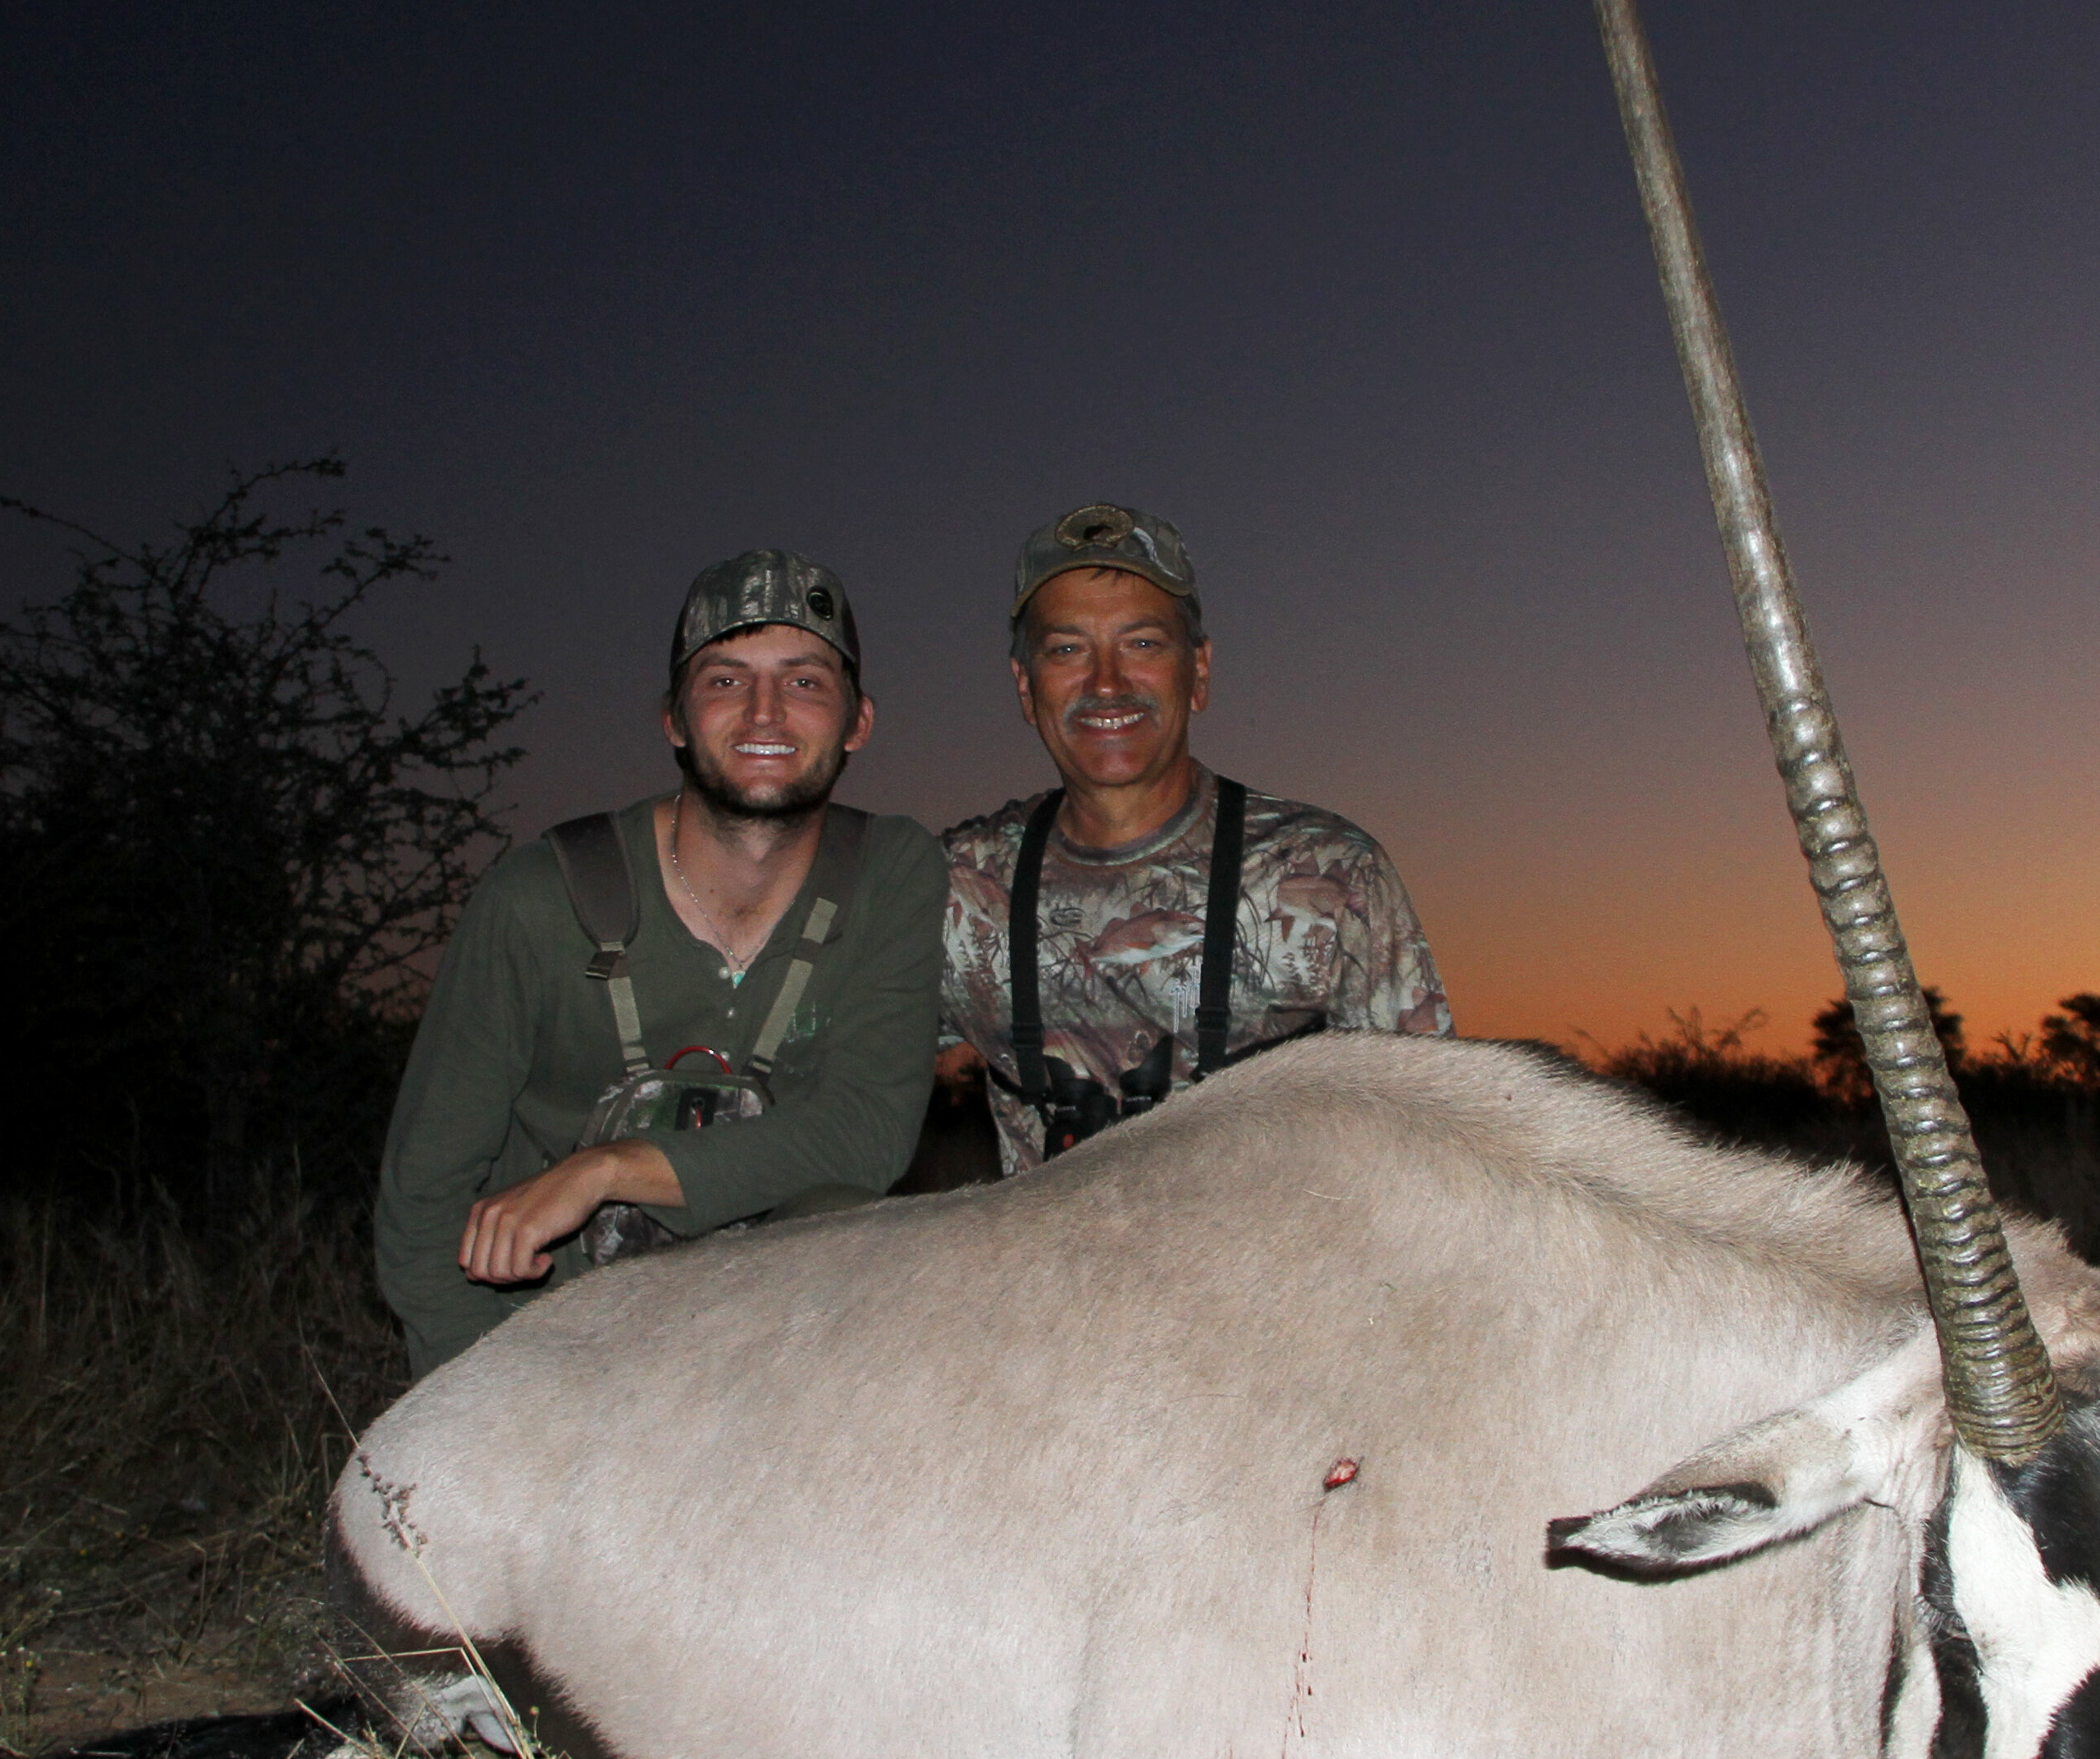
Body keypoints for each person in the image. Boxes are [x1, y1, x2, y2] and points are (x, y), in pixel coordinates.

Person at [376, 550, 944, 1368]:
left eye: (805, 680)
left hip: (765, 1337)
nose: (764, 713)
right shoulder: (538, 897)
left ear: (859, 720)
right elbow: (422, 1202)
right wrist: (489, 1402)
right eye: (723, 679)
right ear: (673, 718)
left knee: (863, 1230)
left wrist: (604, 1170)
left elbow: (865, 1135)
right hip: (554, 1341)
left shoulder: (892, 871)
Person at [943, 503, 1447, 1172]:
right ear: (1026, 688)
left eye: (1143, 644)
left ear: (1200, 671)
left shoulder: (1331, 875)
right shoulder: (956, 887)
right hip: (1048, 1270)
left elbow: (1430, 1141)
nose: (1106, 683)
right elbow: (830, 1070)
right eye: (1066, 650)